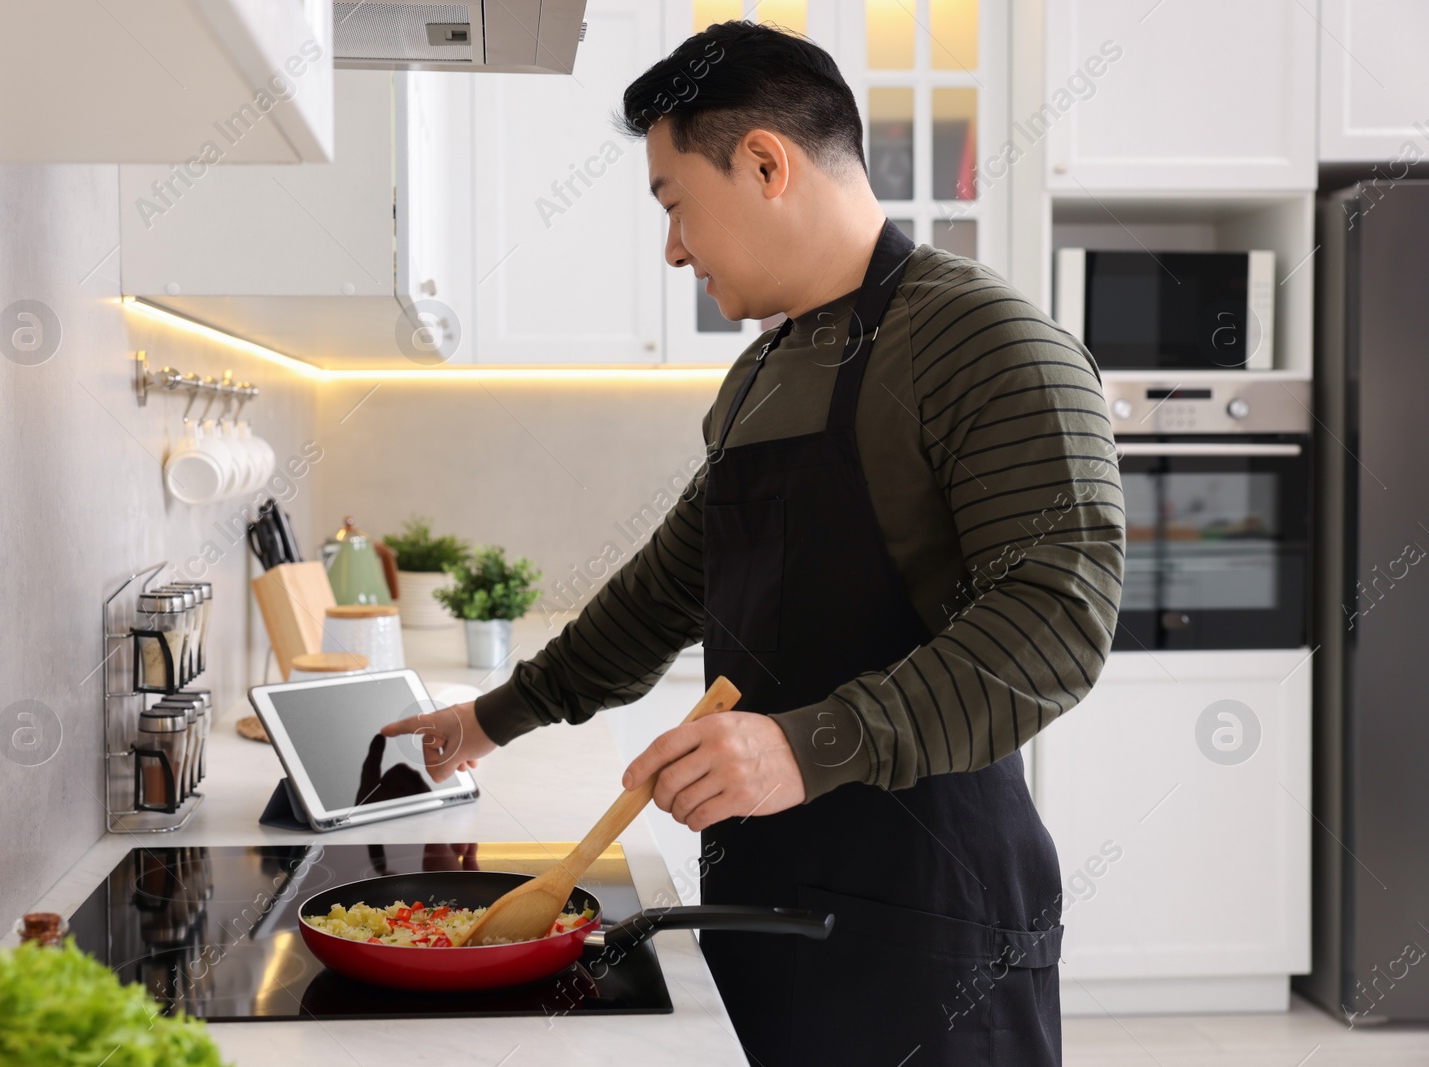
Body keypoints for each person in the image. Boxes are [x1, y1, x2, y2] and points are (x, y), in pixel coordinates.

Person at [382, 20, 1124, 1066]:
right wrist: (494, 717)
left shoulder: (987, 339)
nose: (674, 247)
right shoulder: (762, 375)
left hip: (928, 911)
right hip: (764, 889)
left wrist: (798, 745)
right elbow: (667, 586)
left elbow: (1055, 619)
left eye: (675, 203)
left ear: (765, 162)